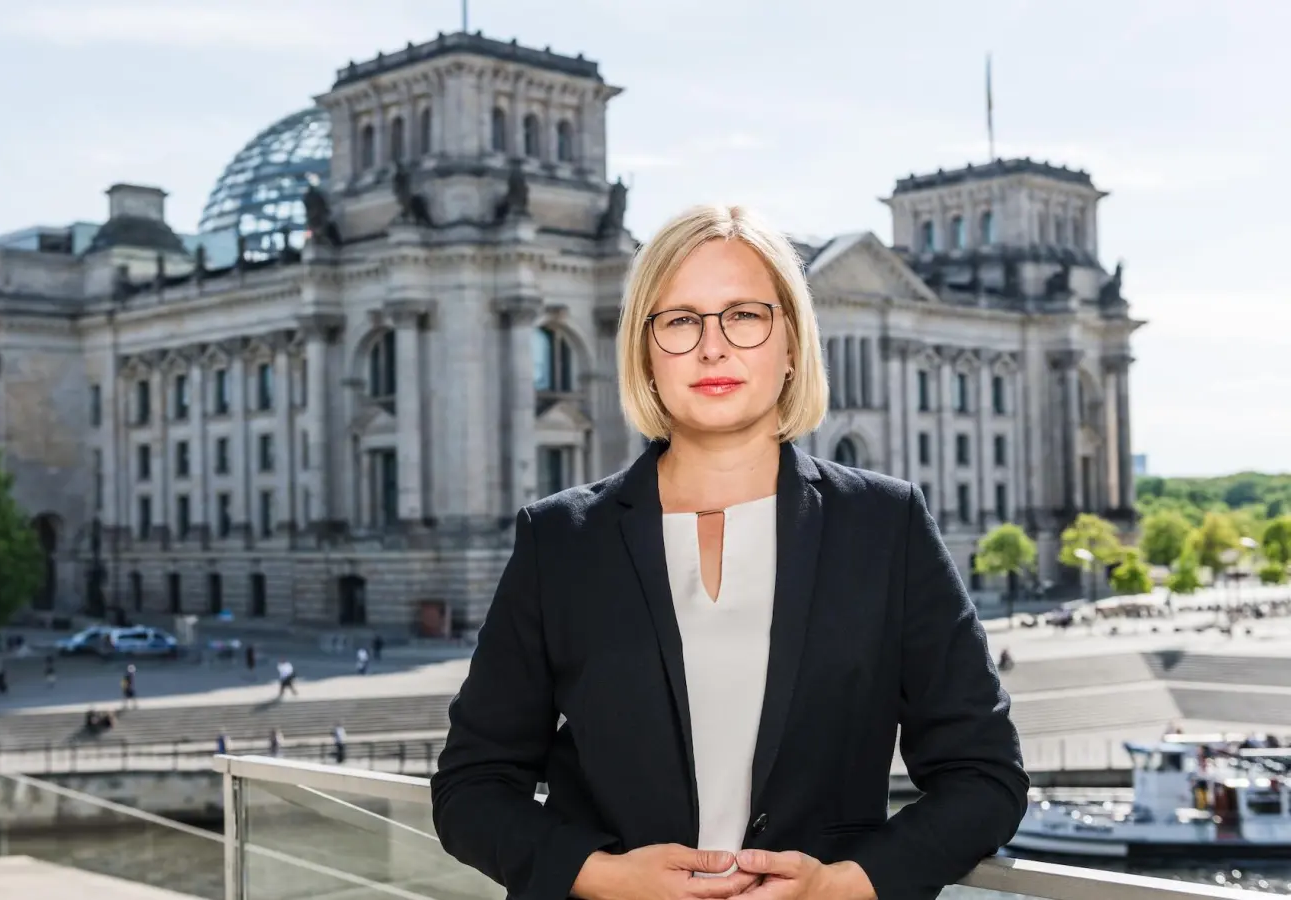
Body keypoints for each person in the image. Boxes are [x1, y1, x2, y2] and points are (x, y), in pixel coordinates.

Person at [430, 204, 1028, 900]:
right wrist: (604, 877)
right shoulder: (561, 540)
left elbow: (986, 776)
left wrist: (846, 886)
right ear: (645, 354)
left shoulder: (885, 526)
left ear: (793, 344)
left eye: (744, 315)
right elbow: (472, 788)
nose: (712, 347)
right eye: (680, 321)